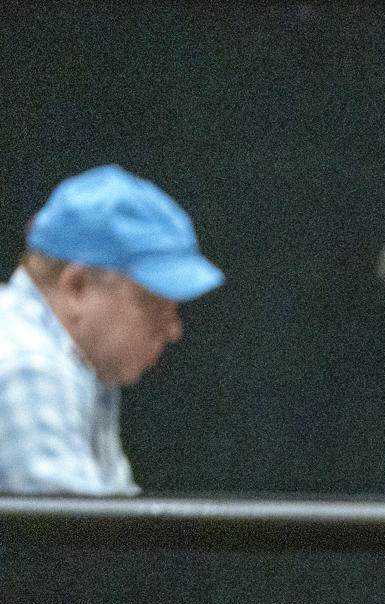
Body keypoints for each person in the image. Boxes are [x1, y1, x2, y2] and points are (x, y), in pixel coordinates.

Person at [0, 164, 223, 494]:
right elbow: (79, 541)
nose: (174, 329)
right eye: (153, 303)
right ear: (77, 287)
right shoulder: (28, 364)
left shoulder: (80, 364)